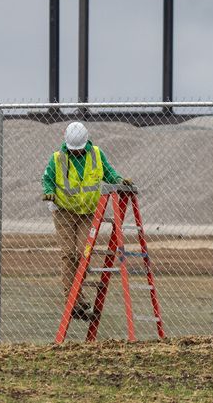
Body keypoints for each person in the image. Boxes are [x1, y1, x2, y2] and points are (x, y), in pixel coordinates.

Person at [42, 121, 132, 319]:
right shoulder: (58, 158)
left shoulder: (96, 155)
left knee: (84, 253)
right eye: (73, 150)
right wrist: (48, 192)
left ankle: (77, 297)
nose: (75, 153)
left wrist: (119, 180)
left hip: (88, 213)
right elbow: (47, 178)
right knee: (69, 255)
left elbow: (108, 173)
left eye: (79, 150)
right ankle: (73, 300)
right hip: (64, 211)